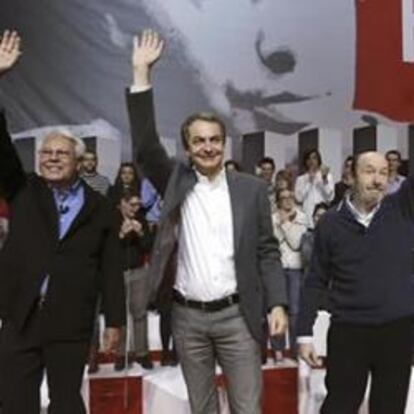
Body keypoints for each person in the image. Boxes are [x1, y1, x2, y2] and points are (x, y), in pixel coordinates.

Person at [126, 30, 288, 414]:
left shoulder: (250, 189)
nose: (208, 147)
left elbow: (267, 250)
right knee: (202, 409)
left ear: (224, 143)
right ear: (187, 148)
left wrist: (278, 302)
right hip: (187, 319)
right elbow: (147, 146)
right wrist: (141, 73)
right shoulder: (176, 181)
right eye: (199, 141)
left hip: (238, 317)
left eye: (215, 139)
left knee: (247, 408)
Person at [0, 31, 125, 414]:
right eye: (46, 152)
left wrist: (115, 322)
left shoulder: (101, 207)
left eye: (61, 153)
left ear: (79, 161)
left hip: (71, 322)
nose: (52, 158)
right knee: (13, 403)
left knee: (66, 403)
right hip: (20, 317)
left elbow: (109, 269)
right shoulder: (23, 191)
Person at [298, 151, 414, 414]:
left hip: (397, 331)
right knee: (339, 406)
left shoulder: (403, 208)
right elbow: (316, 279)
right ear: (350, 176)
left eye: (384, 173)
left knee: (390, 408)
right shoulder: (330, 222)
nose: (378, 180)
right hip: (348, 331)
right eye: (369, 171)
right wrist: (304, 333)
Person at [114, 190, 154, 371]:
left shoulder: (142, 220)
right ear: (123, 203)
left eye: (138, 205)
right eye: (132, 205)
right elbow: (107, 248)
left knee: (140, 314)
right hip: (117, 273)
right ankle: (121, 355)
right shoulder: (112, 219)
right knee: (120, 316)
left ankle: (142, 353)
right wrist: (121, 235)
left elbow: (148, 247)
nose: (135, 208)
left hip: (138, 272)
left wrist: (140, 234)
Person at [271, 188, 307, 361]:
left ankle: (294, 350)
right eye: (283, 198)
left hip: (294, 269)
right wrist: (281, 222)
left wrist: (284, 224)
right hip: (277, 268)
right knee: (277, 311)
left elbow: (295, 243)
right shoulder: (272, 218)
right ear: (278, 201)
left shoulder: (302, 217)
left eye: (290, 197)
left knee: (294, 313)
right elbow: (273, 241)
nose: (287, 201)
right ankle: (278, 350)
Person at [294, 148, 334, 226]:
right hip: (307, 216)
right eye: (309, 158)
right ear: (305, 161)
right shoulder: (300, 179)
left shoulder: (327, 176)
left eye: (314, 158)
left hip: (323, 215)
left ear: (318, 160)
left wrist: (324, 179)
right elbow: (299, 198)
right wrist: (309, 182)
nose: (311, 161)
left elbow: (330, 197)